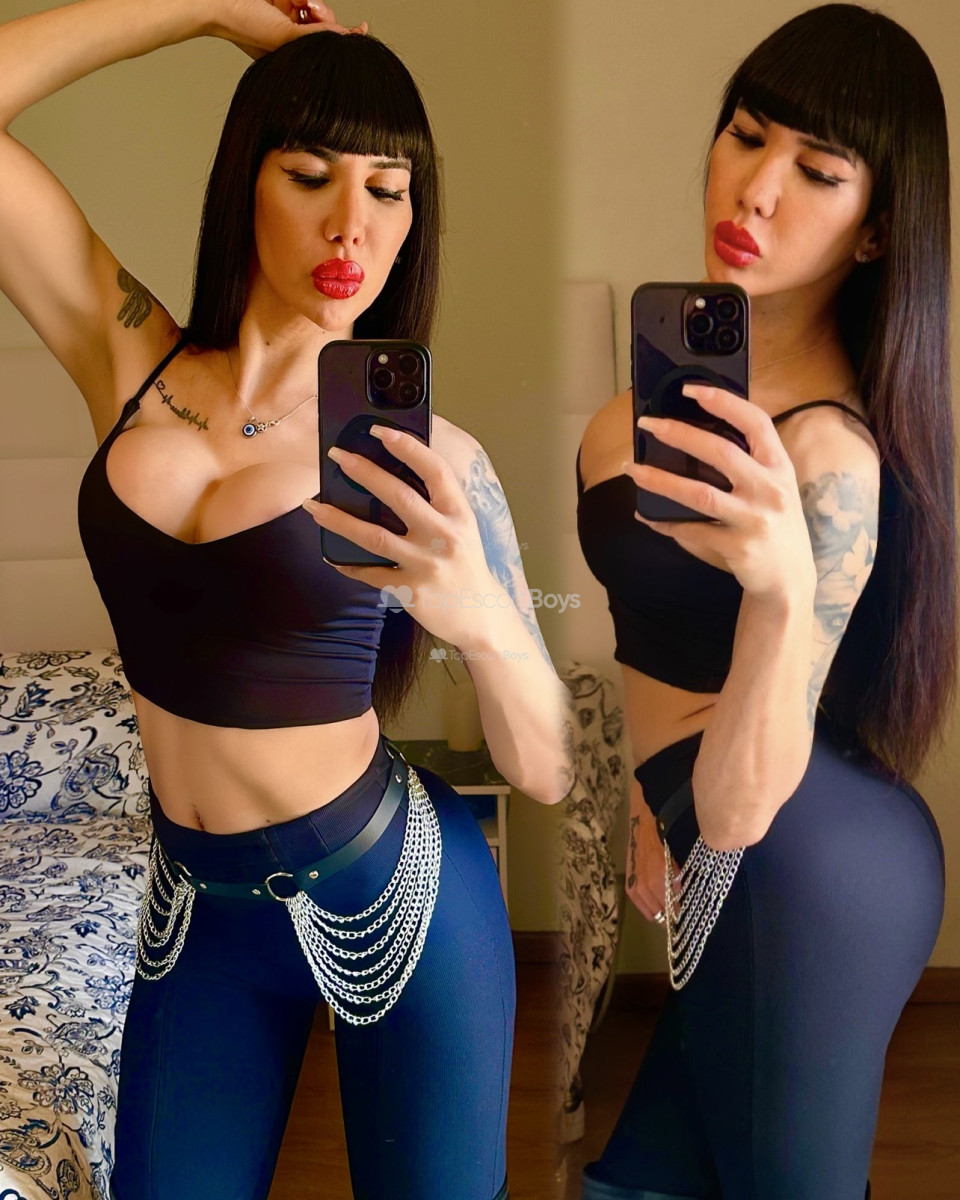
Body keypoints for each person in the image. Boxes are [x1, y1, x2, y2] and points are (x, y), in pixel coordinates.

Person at [0, 2, 572, 1197]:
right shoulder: (134, 363)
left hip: (396, 890)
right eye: (311, 174)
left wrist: (476, 617)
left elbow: (549, 766)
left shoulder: (433, 459)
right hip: (195, 908)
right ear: (244, 180)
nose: (352, 224)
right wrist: (207, 10)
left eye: (389, 190)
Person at [575, 5, 951, 1198]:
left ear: (877, 228)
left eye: (818, 171)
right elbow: (661, 646)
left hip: (798, 860)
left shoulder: (829, 457)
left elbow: (742, 803)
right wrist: (651, 806)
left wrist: (785, 589)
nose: (757, 189)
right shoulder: (651, 407)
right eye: (746, 135)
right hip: (721, 824)